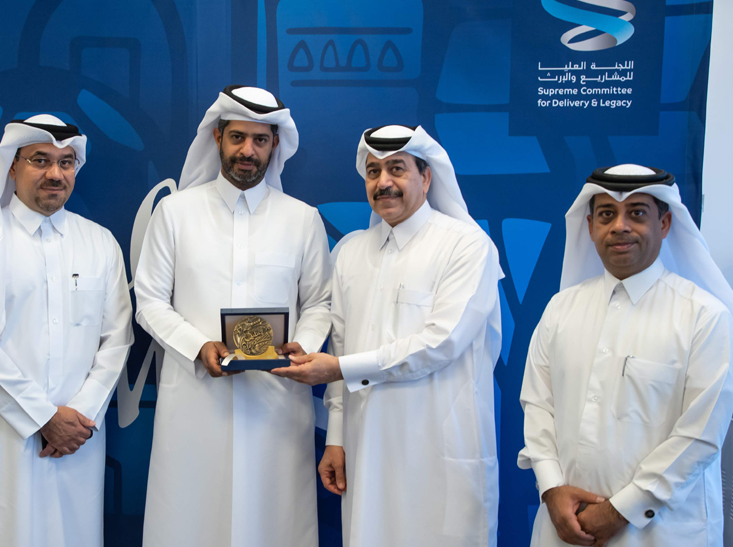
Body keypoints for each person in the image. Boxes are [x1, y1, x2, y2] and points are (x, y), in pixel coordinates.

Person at [273, 125, 503, 546]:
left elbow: (442, 342)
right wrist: (337, 439)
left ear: (426, 177)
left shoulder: (467, 246)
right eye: (373, 171)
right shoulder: (350, 252)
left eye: (397, 169)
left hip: (439, 448)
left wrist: (339, 368)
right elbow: (341, 345)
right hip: (368, 451)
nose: (384, 182)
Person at [134, 85, 332, 547]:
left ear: (275, 145)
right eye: (238, 138)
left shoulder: (302, 219)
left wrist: (303, 345)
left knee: (276, 522)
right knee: (191, 520)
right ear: (218, 138)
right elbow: (149, 301)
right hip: (197, 401)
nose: (248, 151)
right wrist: (197, 346)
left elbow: (320, 303)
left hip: (278, 401)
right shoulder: (176, 213)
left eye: (260, 140)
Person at [0, 115, 133, 546]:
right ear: (13, 165)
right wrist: (44, 417)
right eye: (40, 160)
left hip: (75, 441)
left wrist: (77, 419)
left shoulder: (100, 243)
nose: (54, 174)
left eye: (66, 163)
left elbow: (117, 337)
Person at [518, 165, 733, 547]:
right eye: (606, 215)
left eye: (636, 213)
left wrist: (620, 511)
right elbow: (537, 406)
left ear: (664, 224)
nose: (619, 226)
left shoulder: (704, 316)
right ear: (590, 227)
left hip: (660, 531)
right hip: (563, 526)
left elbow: (700, 436)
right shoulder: (561, 308)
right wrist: (551, 489)